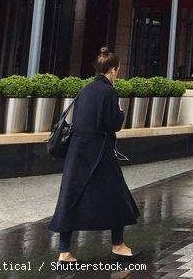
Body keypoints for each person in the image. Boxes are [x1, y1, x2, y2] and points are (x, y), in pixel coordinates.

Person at [49, 47, 139, 266]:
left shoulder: (86, 89)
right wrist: (120, 111)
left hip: (77, 151)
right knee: (117, 196)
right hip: (99, 152)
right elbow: (113, 124)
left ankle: (64, 251)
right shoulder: (109, 92)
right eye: (118, 70)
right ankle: (118, 245)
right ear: (114, 70)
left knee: (71, 197)